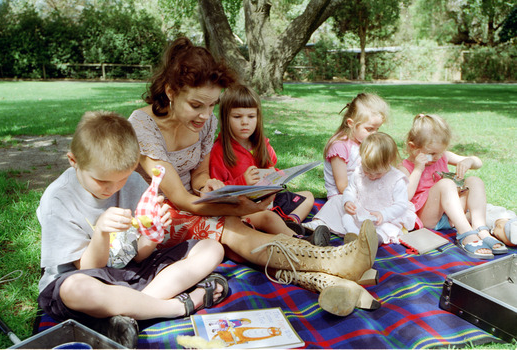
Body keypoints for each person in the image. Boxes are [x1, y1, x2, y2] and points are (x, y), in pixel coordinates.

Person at [128, 37, 380, 315]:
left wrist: (208, 184)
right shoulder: (143, 125)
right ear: (171, 91)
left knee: (239, 241)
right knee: (232, 227)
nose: (206, 116)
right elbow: (179, 199)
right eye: (197, 105)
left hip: (194, 206)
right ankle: (332, 260)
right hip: (156, 220)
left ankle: (327, 280)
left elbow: (198, 175)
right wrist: (237, 206)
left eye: (213, 105)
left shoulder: (205, 120)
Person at [37, 111, 228, 348]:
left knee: (211, 248)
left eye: (122, 179)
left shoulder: (135, 182)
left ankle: (130, 311)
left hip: (131, 272)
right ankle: (177, 306)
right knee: (74, 289)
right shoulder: (59, 199)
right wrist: (101, 233)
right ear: (74, 161)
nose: (114, 188)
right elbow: (87, 268)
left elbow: (139, 254)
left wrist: (152, 233)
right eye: (102, 181)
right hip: (88, 278)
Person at [209, 83, 329, 246]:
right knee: (269, 218)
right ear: (225, 118)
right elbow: (218, 192)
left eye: (251, 117)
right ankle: (302, 243)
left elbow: (274, 170)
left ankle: (290, 222)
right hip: (243, 210)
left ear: (258, 118)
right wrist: (242, 181)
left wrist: (276, 176)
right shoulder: (219, 151)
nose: (245, 122)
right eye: (237, 117)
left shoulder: (261, 145)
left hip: (270, 199)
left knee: (308, 196)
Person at [399, 113, 508, 259]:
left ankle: (480, 229)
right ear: (413, 148)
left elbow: (478, 163)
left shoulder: (442, 156)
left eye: (441, 152)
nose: (437, 157)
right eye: (432, 154)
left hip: (451, 214)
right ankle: (465, 232)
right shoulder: (405, 167)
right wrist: (418, 169)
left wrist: (469, 161)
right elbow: (405, 197)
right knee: (446, 184)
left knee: (474, 180)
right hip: (429, 218)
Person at [302, 93, 390, 236]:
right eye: (370, 129)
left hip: (363, 190)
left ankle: (370, 232)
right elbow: (342, 186)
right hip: (344, 195)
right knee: (341, 205)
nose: (374, 134)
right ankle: (319, 225)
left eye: (377, 129)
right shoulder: (340, 146)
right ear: (351, 123)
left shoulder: (365, 141)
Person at [341, 132, 417, 245]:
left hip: (384, 217)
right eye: (367, 171)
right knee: (344, 215)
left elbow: (401, 205)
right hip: (361, 212)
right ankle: (355, 235)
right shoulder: (358, 172)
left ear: (388, 162)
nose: (371, 176)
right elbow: (350, 189)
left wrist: (384, 214)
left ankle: (375, 239)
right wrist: (348, 200)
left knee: (387, 228)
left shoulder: (396, 179)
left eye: (377, 173)